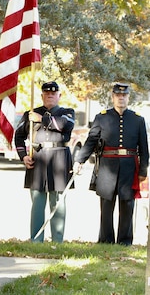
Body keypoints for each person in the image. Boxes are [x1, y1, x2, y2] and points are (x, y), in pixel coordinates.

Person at [73, 83, 149, 246]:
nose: (121, 98)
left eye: (124, 95)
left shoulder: (138, 119)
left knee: (127, 205)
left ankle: (125, 241)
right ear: (113, 97)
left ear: (128, 98)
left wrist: (143, 171)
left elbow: (144, 148)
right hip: (107, 167)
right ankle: (106, 240)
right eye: (117, 95)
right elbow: (91, 141)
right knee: (106, 205)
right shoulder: (102, 117)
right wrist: (79, 160)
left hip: (129, 167)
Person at [15, 81, 75, 243]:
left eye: (53, 93)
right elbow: (19, 136)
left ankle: (57, 241)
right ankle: (36, 240)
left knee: (58, 204)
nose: (50, 95)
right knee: (37, 203)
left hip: (59, 159)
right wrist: (23, 156)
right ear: (42, 95)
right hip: (38, 159)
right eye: (47, 93)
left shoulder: (67, 112)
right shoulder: (30, 114)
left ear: (59, 96)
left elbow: (65, 125)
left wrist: (42, 119)